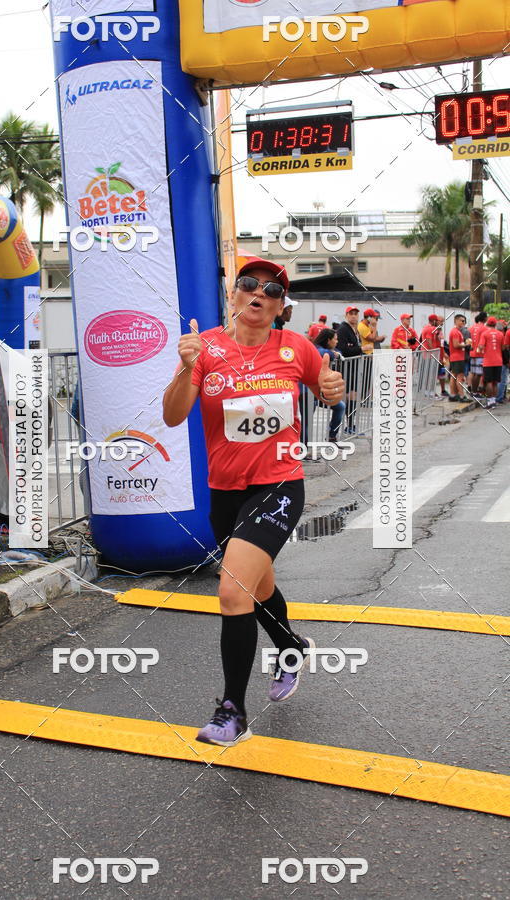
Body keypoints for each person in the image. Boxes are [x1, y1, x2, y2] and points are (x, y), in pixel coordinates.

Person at [162, 256, 345, 746]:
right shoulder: (208, 350)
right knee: (259, 589)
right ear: (234, 295)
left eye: (272, 290)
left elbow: (327, 391)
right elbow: (173, 416)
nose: (259, 294)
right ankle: (291, 646)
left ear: (281, 307)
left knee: (231, 592)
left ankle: (231, 713)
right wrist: (185, 368)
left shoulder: (296, 348)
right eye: (249, 285)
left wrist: (330, 389)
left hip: (280, 485)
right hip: (226, 492)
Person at [314, 328, 346, 444]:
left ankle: (331, 436)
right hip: (308, 391)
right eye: (335, 339)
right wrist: (334, 354)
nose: (337, 342)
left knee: (340, 407)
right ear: (328, 340)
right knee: (306, 419)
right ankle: (303, 447)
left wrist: (336, 354)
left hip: (321, 391)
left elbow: (339, 352)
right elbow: (325, 354)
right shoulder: (317, 348)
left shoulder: (328, 349)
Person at [336, 305, 363, 434]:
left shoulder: (354, 330)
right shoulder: (343, 329)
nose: (353, 316)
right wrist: (360, 349)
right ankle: (344, 426)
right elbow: (342, 350)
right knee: (347, 398)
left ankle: (351, 425)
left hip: (354, 368)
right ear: (346, 315)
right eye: (351, 313)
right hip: (346, 369)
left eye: (355, 313)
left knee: (353, 397)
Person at [477, 316, 504, 408]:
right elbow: (503, 347)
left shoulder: (485, 334)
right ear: (495, 324)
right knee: (495, 382)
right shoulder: (500, 334)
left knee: (488, 382)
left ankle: (489, 402)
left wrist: (484, 349)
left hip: (488, 361)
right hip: (498, 361)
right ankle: (494, 401)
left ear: (487, 324)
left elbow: (480, 347)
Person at [448, 313, 470, 402]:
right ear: (456, 321)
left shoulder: (457, 331)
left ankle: (453, 395)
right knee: (460, 377)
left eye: (464, 321)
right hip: (458, 357)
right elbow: (456, 345)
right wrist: (466, 344)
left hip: (456, 357)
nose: (464, 323)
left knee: (454, 376)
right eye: (462, 321)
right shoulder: (455, 332)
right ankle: (462, 396)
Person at [469, 311, 487, 397]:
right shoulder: (484, 328)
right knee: (478, 374)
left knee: (473, 372)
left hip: (472, 353)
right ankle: (475, 392)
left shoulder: (471, 328)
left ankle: (473, 391)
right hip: (480, 354)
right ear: (484, 318)